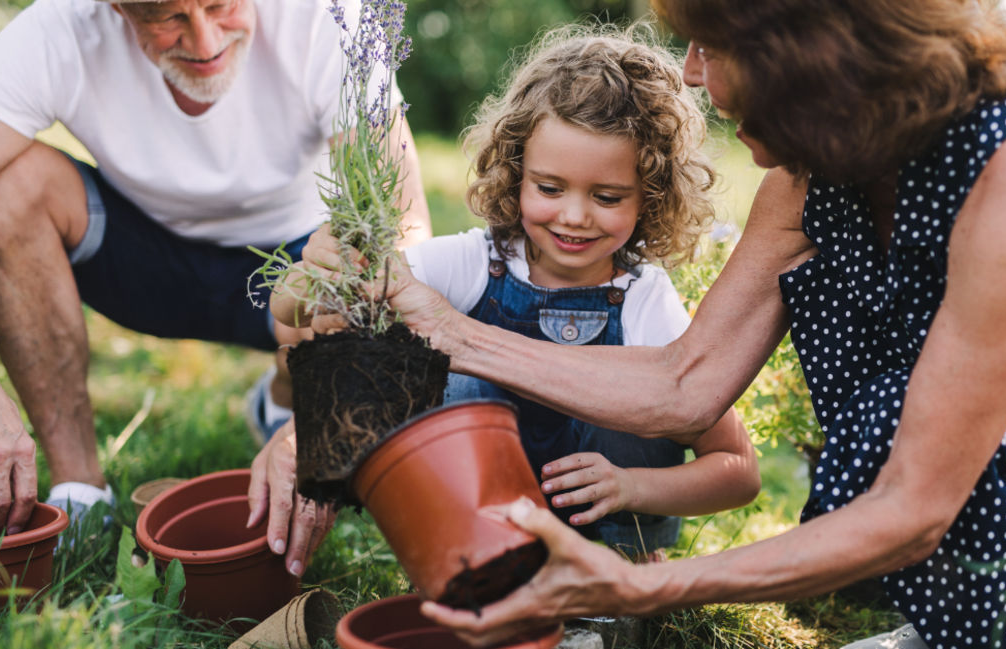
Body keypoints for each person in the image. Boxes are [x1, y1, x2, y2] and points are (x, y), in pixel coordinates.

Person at [295, 1, 1006, 647]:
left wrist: (644, 585)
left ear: (805, 53)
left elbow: (913, 506)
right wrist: (431, 335)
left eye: (709, 45)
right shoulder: (815, 170)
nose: (687, 72)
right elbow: (688, 384)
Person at [0, 0, 429, 576]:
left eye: (220, 5)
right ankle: (81, 490)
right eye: (165, 18)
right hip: (144, 262)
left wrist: (314, 431)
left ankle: (286, 391)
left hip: (292, 272)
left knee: (360, 257)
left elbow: (403, 238)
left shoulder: (331, 18)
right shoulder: (57, 30)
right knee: (5, 187)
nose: (203, 42)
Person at [273, 27, 761, 561]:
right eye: (549, 188)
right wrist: (315, 270)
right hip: (482, 530)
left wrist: (632, 486)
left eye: (607, 196)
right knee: (452, 379)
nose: (574, 216)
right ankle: (467, 556)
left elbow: (738, 471)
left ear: (651, 195)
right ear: (516, 174)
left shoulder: (645, 299)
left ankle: (630, 568)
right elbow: (296, 307)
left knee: (643, 396)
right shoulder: (473, 264)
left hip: (604, 537)